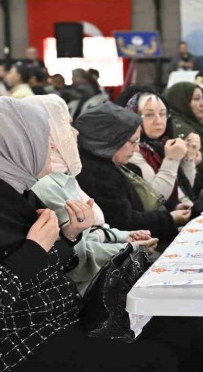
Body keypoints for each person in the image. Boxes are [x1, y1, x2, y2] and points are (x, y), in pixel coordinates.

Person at [0, 97, 203, 372]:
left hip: (54, 320)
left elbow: (50, 264)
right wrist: (34, 249)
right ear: (16, 144)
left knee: (179, 323)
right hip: (17, 345)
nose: (51, 145)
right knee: (161, 357)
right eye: (43, 138)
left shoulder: (12, 186)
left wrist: (68, 235)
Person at [25, 95, 155, 294]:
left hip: (100, 275)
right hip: (88, 289)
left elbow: (92, 232)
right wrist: (130, 249)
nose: (76, 131)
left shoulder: (63, 174)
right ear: (48, 133)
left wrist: (125, 237)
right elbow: (77, 256)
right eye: (66, 124)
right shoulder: (45, 183)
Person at [75, 103, 187, 245]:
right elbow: (125, 222)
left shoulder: (115, 164)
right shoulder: (97, 176)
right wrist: (169, 219)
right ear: (110, 140)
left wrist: (172, 209)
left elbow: (142, 200)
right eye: (133, 142)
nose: (137, 149)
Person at [125, 90, 200, 208]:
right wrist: (171, 160)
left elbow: (185, 189)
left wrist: (188, 157)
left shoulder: (164, 143)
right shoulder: (132, 150)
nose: (158, 121)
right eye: (149, 115)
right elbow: (155, 198)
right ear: (134, 117)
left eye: (162, 114)